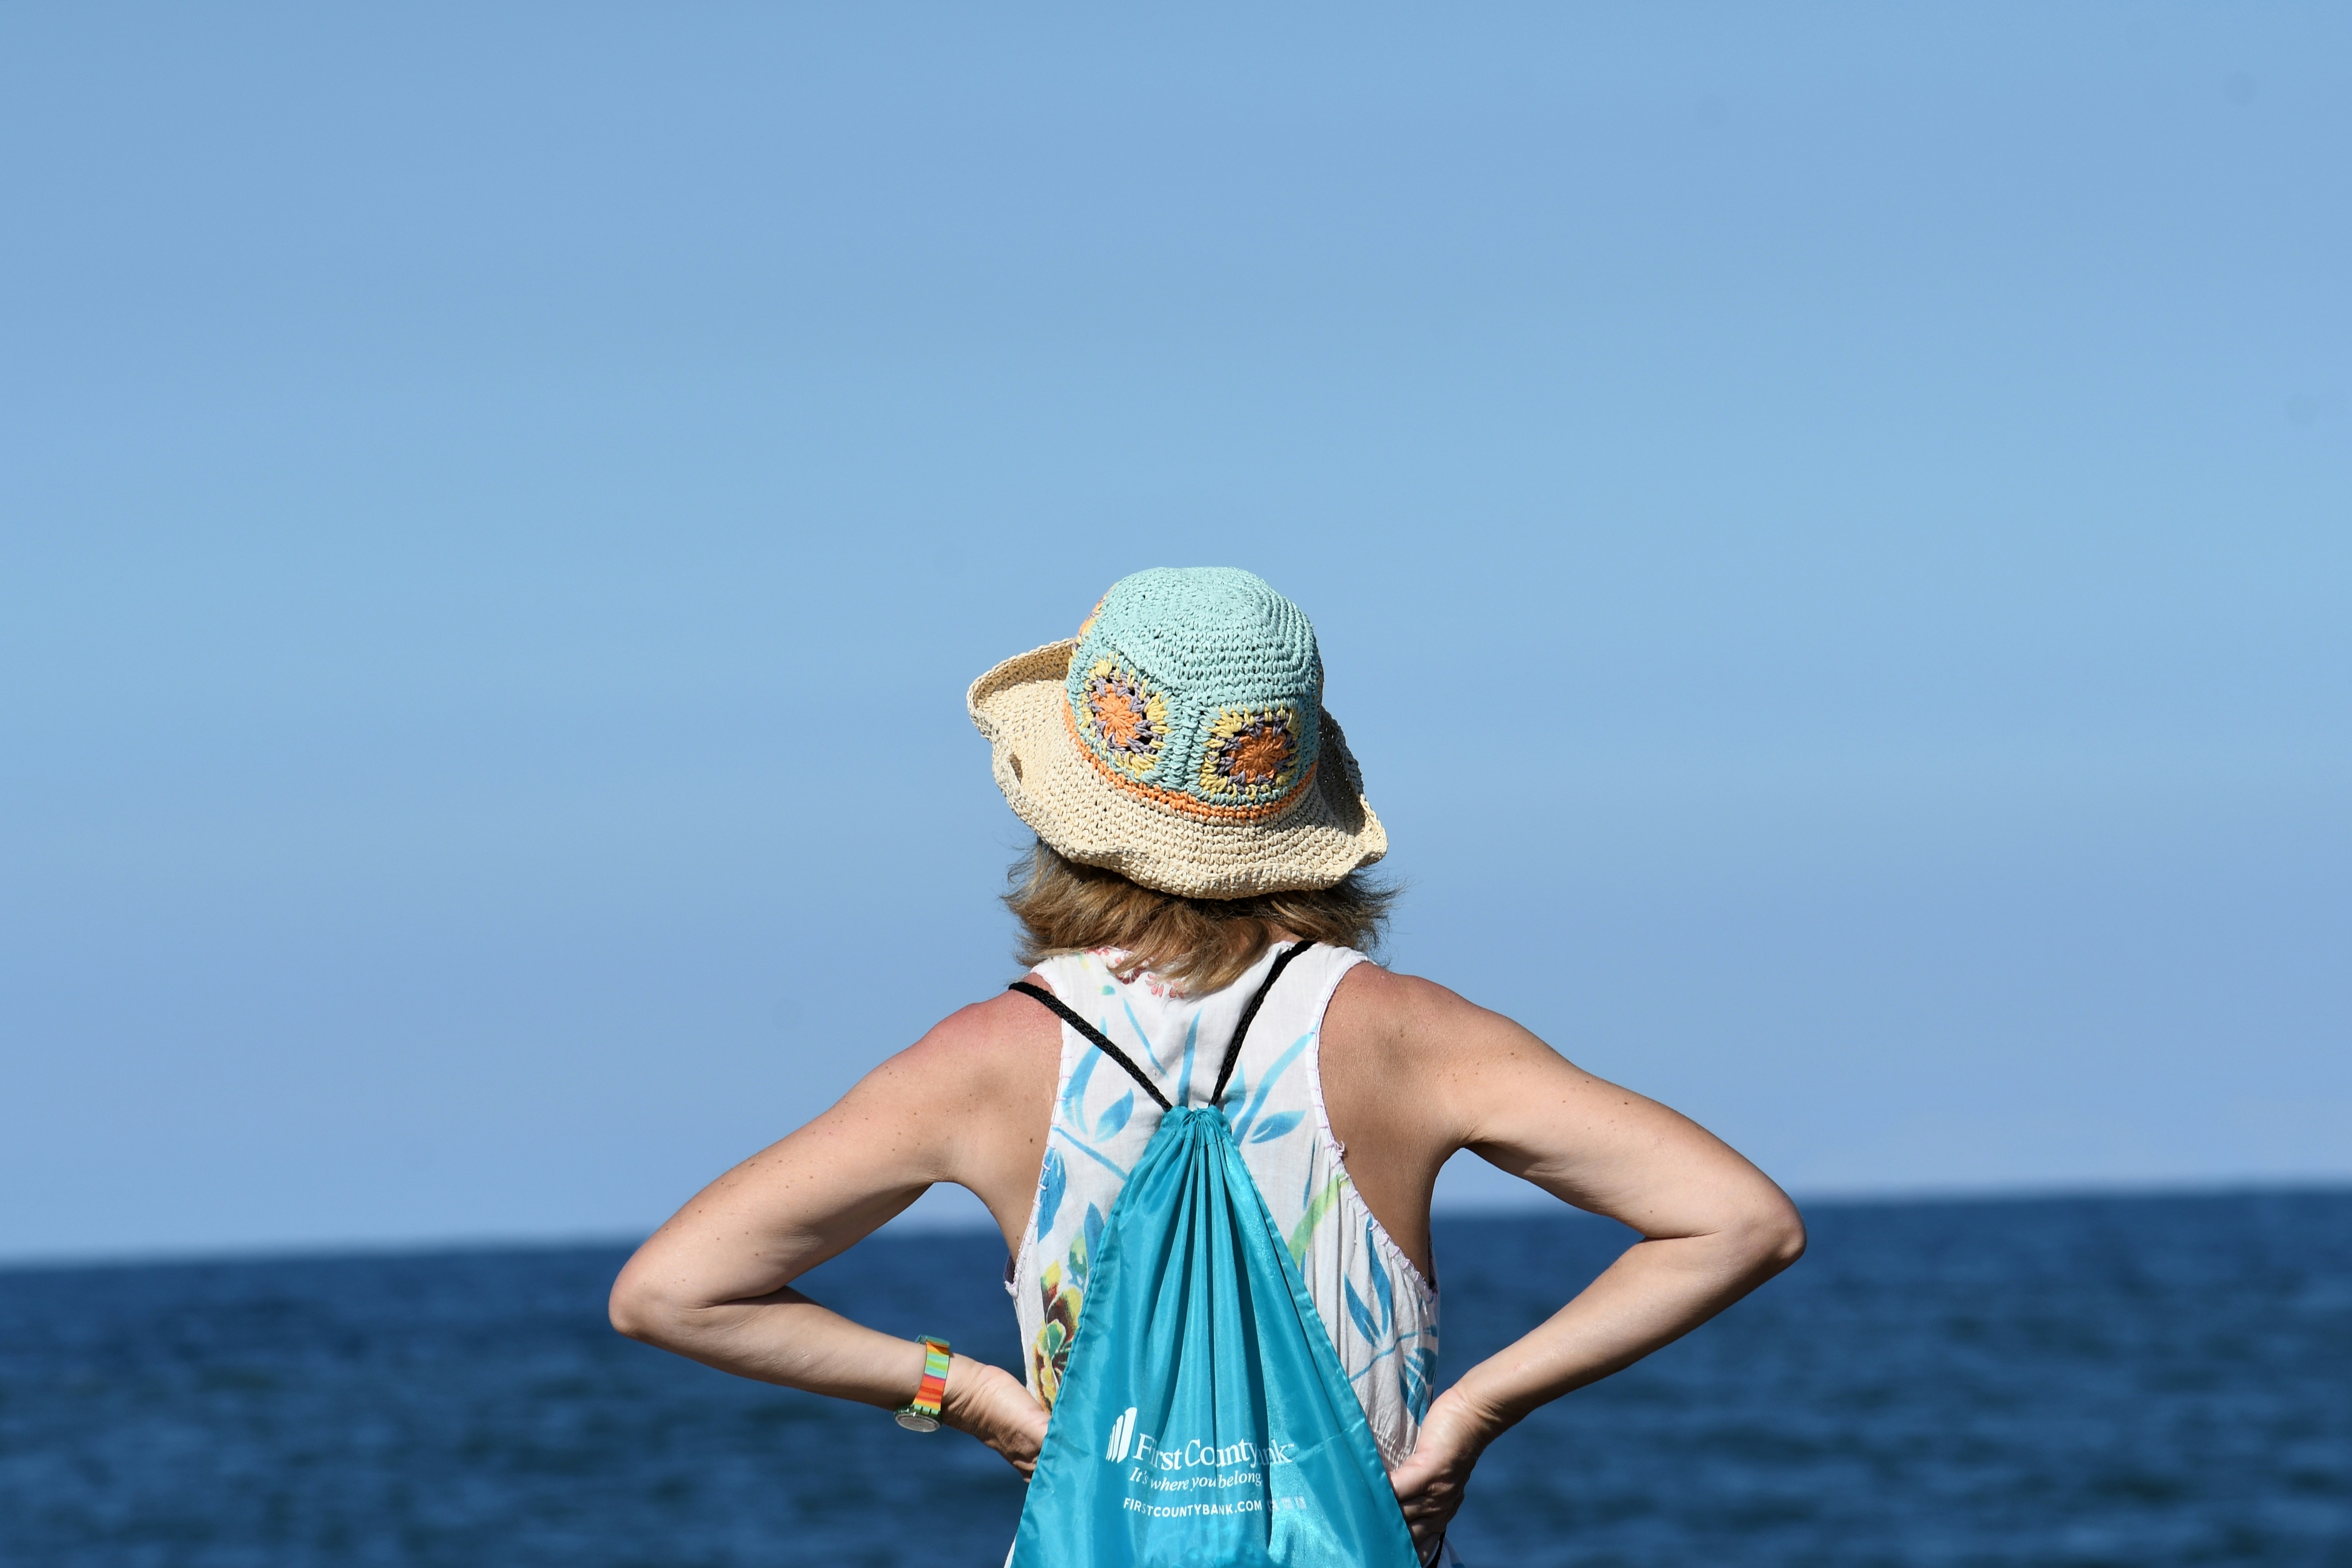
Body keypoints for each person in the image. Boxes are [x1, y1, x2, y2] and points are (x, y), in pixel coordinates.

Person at [609, 568, 1805, 1563]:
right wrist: (1474, 1414)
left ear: (1060, 809)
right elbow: (1739, 1222)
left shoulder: (980, 1062)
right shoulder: (1404, 1034)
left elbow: (671, 1292)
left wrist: (964, 1393)